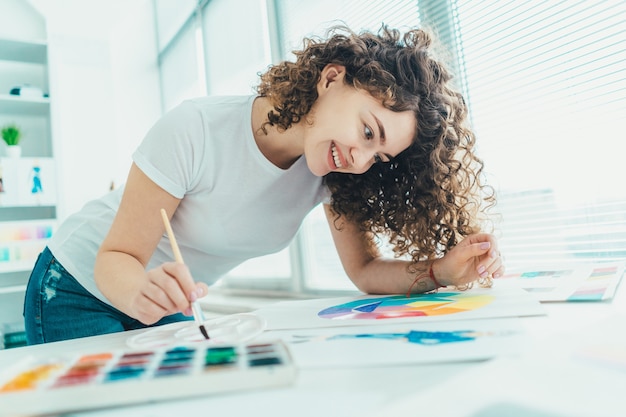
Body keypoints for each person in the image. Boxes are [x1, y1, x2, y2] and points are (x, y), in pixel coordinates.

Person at [24, 25, 504, 345]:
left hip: (161, 297)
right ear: (332, 79)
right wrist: (137, 294)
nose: (361, 159)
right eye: (367, 130)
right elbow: (118, 257)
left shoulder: (332, 176)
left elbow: (364, 271)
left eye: (379, 156)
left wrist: (443, 270)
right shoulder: (196, 128)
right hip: (76, 283)